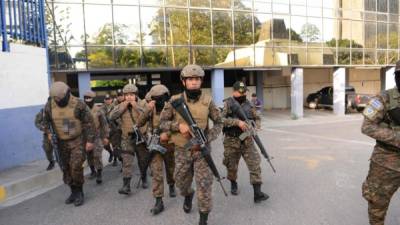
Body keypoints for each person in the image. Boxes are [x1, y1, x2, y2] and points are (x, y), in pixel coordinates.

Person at [160, 64, 223, 225]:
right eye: (190, 79)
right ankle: (188, 195)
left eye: (197, 79)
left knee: (204, 184)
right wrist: (177, 126)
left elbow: (218, 122)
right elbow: (162, 123)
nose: (194, 82)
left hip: (202, 150)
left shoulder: (208, 101)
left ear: (201, 81)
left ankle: (203, 218)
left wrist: (208, 137)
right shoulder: (175, 101)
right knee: (181, 181)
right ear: (184, 82)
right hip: (182, 150)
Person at [42, 81, 95, 206]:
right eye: (55, 98)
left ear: (67, 93)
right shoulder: (49, 105)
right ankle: (73, 191)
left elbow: (89, 123)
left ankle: (80, 192)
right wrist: (49, 133)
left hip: (77, 140)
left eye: (60, 98)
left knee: (75, 166)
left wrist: (90, 141)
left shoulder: (78, 104)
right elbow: (45, 121)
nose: (58, 100)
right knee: (65, 168)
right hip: (60, 142)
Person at [361, 60, 400, 225]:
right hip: (386, 162)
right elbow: (367, 127)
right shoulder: (382, 98)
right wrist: (397, 138)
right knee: (377, 204)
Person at [222, 81, 269, 202]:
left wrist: (256, 125)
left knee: (255, 163)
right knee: (231, 165)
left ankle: (257, 193)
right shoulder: (228, 103)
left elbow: (257, 117)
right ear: (234, 91)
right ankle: (233, 182)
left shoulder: (250, 104)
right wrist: (237, 122)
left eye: (244, 92)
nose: (243, 94)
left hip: (247, 139)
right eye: (240, 92)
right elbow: (220, 119)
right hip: (231, 140)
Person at [137, 85, 176, 215]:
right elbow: (139, 123)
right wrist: (147, 110)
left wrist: (168, 134)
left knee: (171, 168)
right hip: (154, 145)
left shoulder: (173, 107)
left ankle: (171, 184)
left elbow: (179, 125)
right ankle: (159, 200)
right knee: (156, 172)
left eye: (159, 98)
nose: (156, 101)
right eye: (154, 98)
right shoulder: (150, 108)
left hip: (169, 144)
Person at [83, 91, 109, 184]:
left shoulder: (98, 110)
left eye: (89, 98)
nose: (87, 100)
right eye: (86, 98)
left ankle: (99, 173)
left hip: (97, 135)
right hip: (86, 137)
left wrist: (105, 136)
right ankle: (92, 171)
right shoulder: (81, 110)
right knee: (89, 155)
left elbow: (104, 124)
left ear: (93, 99)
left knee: (97, 155)